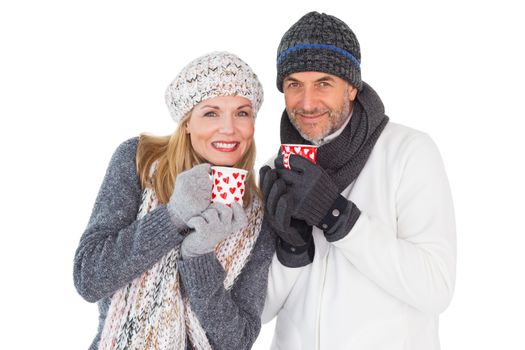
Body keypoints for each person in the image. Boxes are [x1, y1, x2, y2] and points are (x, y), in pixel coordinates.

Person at [260, 12, 456, 350]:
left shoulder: (408, 153)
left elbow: (436, 288)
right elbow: (257, 312)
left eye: (323, 83)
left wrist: (337, 217)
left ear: (351, 87)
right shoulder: (277, 171)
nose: (307, 103)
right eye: (294, 84)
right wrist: (291, 249)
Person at [73, 51, 275, 350]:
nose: (229, 128)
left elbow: (238, 340)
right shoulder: (138, 161)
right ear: (187, 123)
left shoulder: (256, 217)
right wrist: (172, 217)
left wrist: (199, 258)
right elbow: (89, 277)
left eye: (242, 113)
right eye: (211, 112)